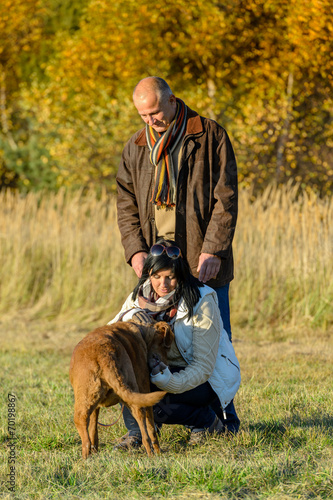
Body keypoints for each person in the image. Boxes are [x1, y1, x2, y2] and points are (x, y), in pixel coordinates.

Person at [116, 76, 239, 431]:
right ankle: (139, 428)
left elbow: (226, 199)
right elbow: (125, 204)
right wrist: (136, 251)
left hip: (202, 258)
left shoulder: (210, 135)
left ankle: (222, 419)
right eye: (143, 115)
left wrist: (214, 249)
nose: (149, 121)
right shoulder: (136, 145)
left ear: (172, 101)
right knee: (147, 341)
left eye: (155, 112)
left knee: (215, 345)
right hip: (155, 262)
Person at [108, 241, 241, 450]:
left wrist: (168, 382)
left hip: (205, 379)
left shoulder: (202, 299)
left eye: (170, 276)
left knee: (156, 403)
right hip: (160, 371)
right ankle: (136, 432)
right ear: (148, 275)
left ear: (180, 273)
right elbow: (110, 332)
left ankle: (206, 422)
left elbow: (204, 367)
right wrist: (130, 316)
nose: (163, 284)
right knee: (128, 379)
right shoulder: (138, 296)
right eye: (156, 276)